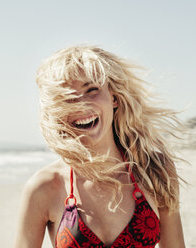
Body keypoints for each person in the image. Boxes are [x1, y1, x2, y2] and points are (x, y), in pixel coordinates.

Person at [15, 45, 186, 248]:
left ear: (113, 97)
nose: (82, 105)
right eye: (68, 98)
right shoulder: (44, 187)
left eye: (92, 90)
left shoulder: (154, 169)